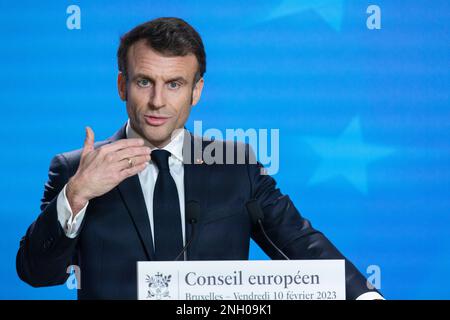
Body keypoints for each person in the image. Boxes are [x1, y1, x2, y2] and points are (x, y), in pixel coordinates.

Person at [16, 17, 383, 300]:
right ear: (122, 86)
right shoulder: (75, 168)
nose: (158, 101)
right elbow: (37, 273)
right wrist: (77, 195)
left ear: (197, 91)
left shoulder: (236, 167)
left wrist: (364, 295)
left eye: (174, 84)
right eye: (145, 82)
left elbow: (300, 243)